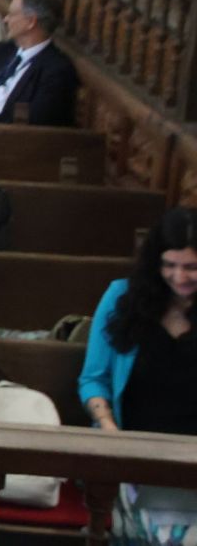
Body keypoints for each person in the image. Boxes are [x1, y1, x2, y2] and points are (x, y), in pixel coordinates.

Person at [78, 207, 197, 541]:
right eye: (169, 265)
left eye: (191, 267)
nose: (179, 277)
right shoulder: (121, 298)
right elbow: (94, 379)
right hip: (132, 455)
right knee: (158, 532)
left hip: (193, 459)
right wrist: (109, 428)